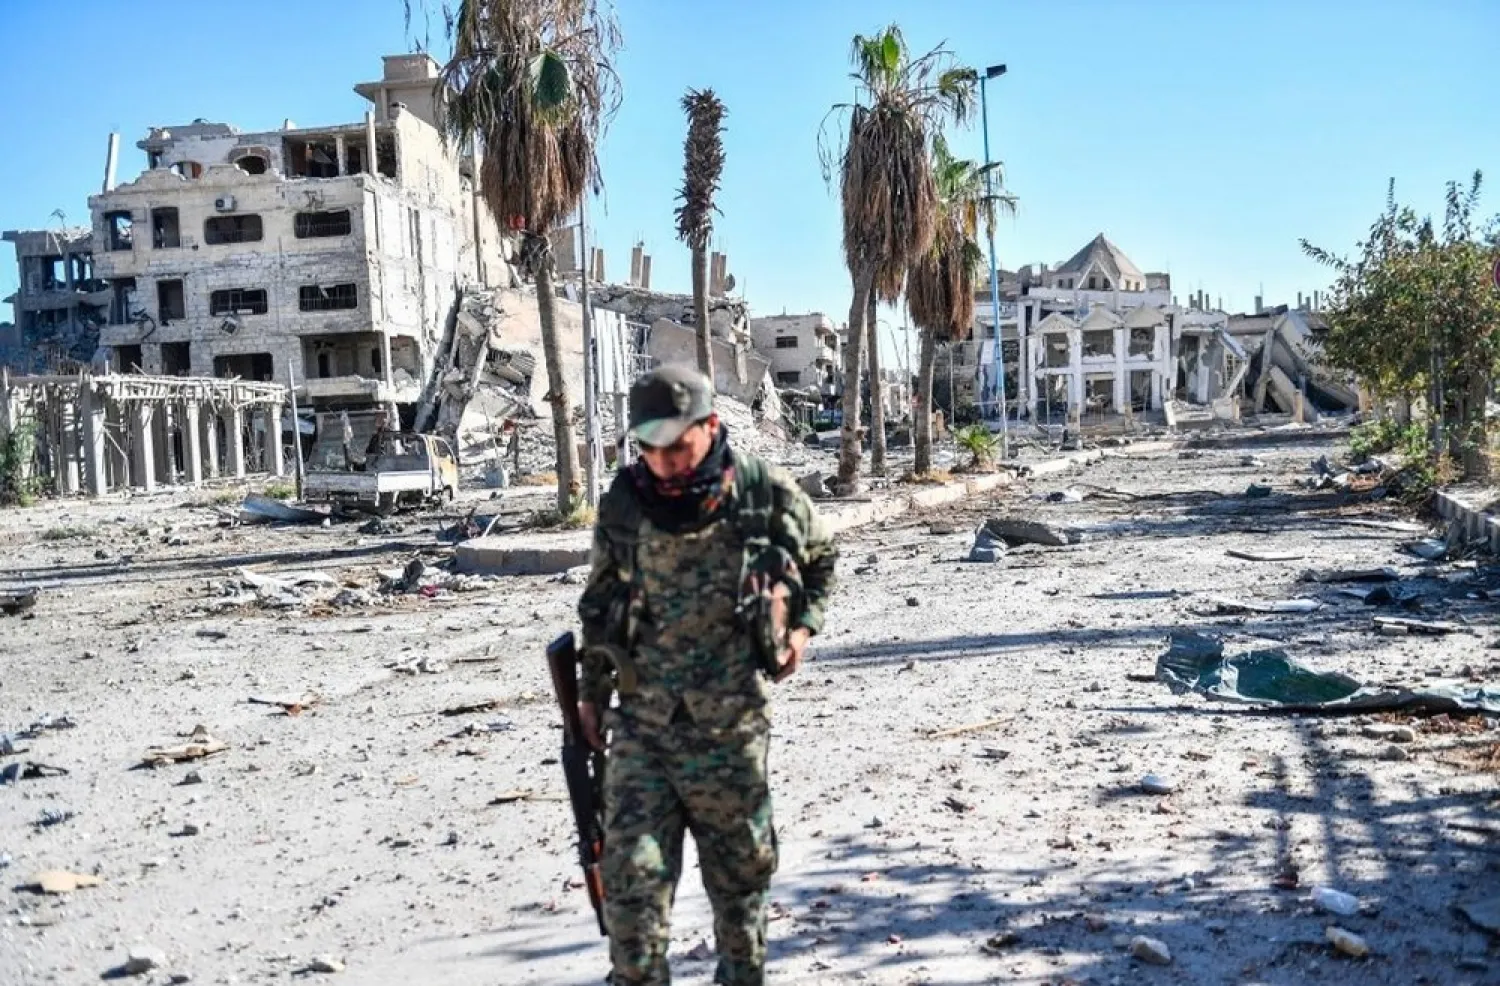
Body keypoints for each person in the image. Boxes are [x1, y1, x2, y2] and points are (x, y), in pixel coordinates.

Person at [577, 365, 838, 986]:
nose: (663, 460)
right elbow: (599, 603)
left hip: (729, 730)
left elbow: (822, 558)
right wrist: (590, 695)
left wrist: (800, 630)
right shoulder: (625, 501)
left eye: (677, 444)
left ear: (711, 426)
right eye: (649, 446)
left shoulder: (758, 491)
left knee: (740, 894)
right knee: (631, 893)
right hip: (643, 728)